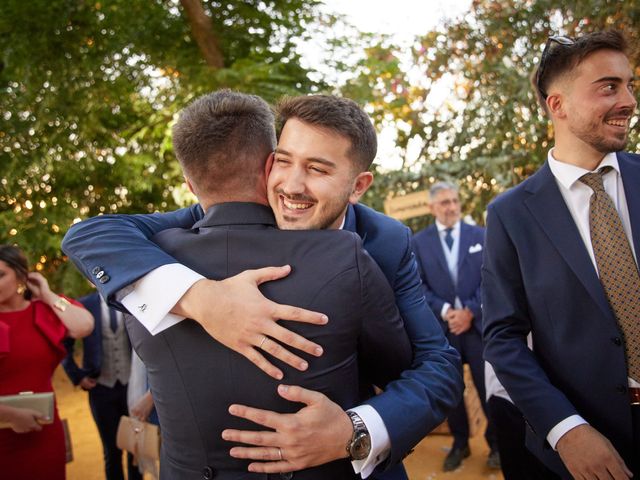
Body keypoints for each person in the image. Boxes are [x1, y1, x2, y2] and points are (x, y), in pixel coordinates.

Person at [62, 93, 463, 479]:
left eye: (318, 169)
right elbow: (90, 236)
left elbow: (438, 365)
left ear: (358, 186)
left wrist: (354, 431)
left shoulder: (387, 241)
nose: (291, 185)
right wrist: (202, 299)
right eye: (282, 161)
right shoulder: (208, 217)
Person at [482, 30, 639, 479]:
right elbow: (503, 338)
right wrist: (565, 431)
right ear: (558, 106)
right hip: (585, 442)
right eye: (609, 87)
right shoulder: (510, 214)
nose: (627, 99)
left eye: (630, 86)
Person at [411, 182, 498, 471]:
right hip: (444, 329)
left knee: (489, 388)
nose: (451, 207)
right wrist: (447, 311)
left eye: (454, 201)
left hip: (477, 327)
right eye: (444, 202)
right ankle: (460, 443)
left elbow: (491, 278)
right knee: (452, 390)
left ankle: (496, 443)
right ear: (432, 207)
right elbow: (417, 284)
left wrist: (470, 311)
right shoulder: (418, 243)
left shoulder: (480, 236)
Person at [0, 244, 93, 479]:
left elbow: (84, 325)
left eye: (1, 275)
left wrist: (48, 295)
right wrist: (11, 414)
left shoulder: (44, 310)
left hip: (44, 433)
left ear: (21, 275)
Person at [62, 291, 142, 480]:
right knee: (111, 450)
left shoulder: (132, 301)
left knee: (135, 449)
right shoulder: (84, 304)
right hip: (100, 388)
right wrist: (78, 376)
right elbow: (64, 344)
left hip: (132, 387)